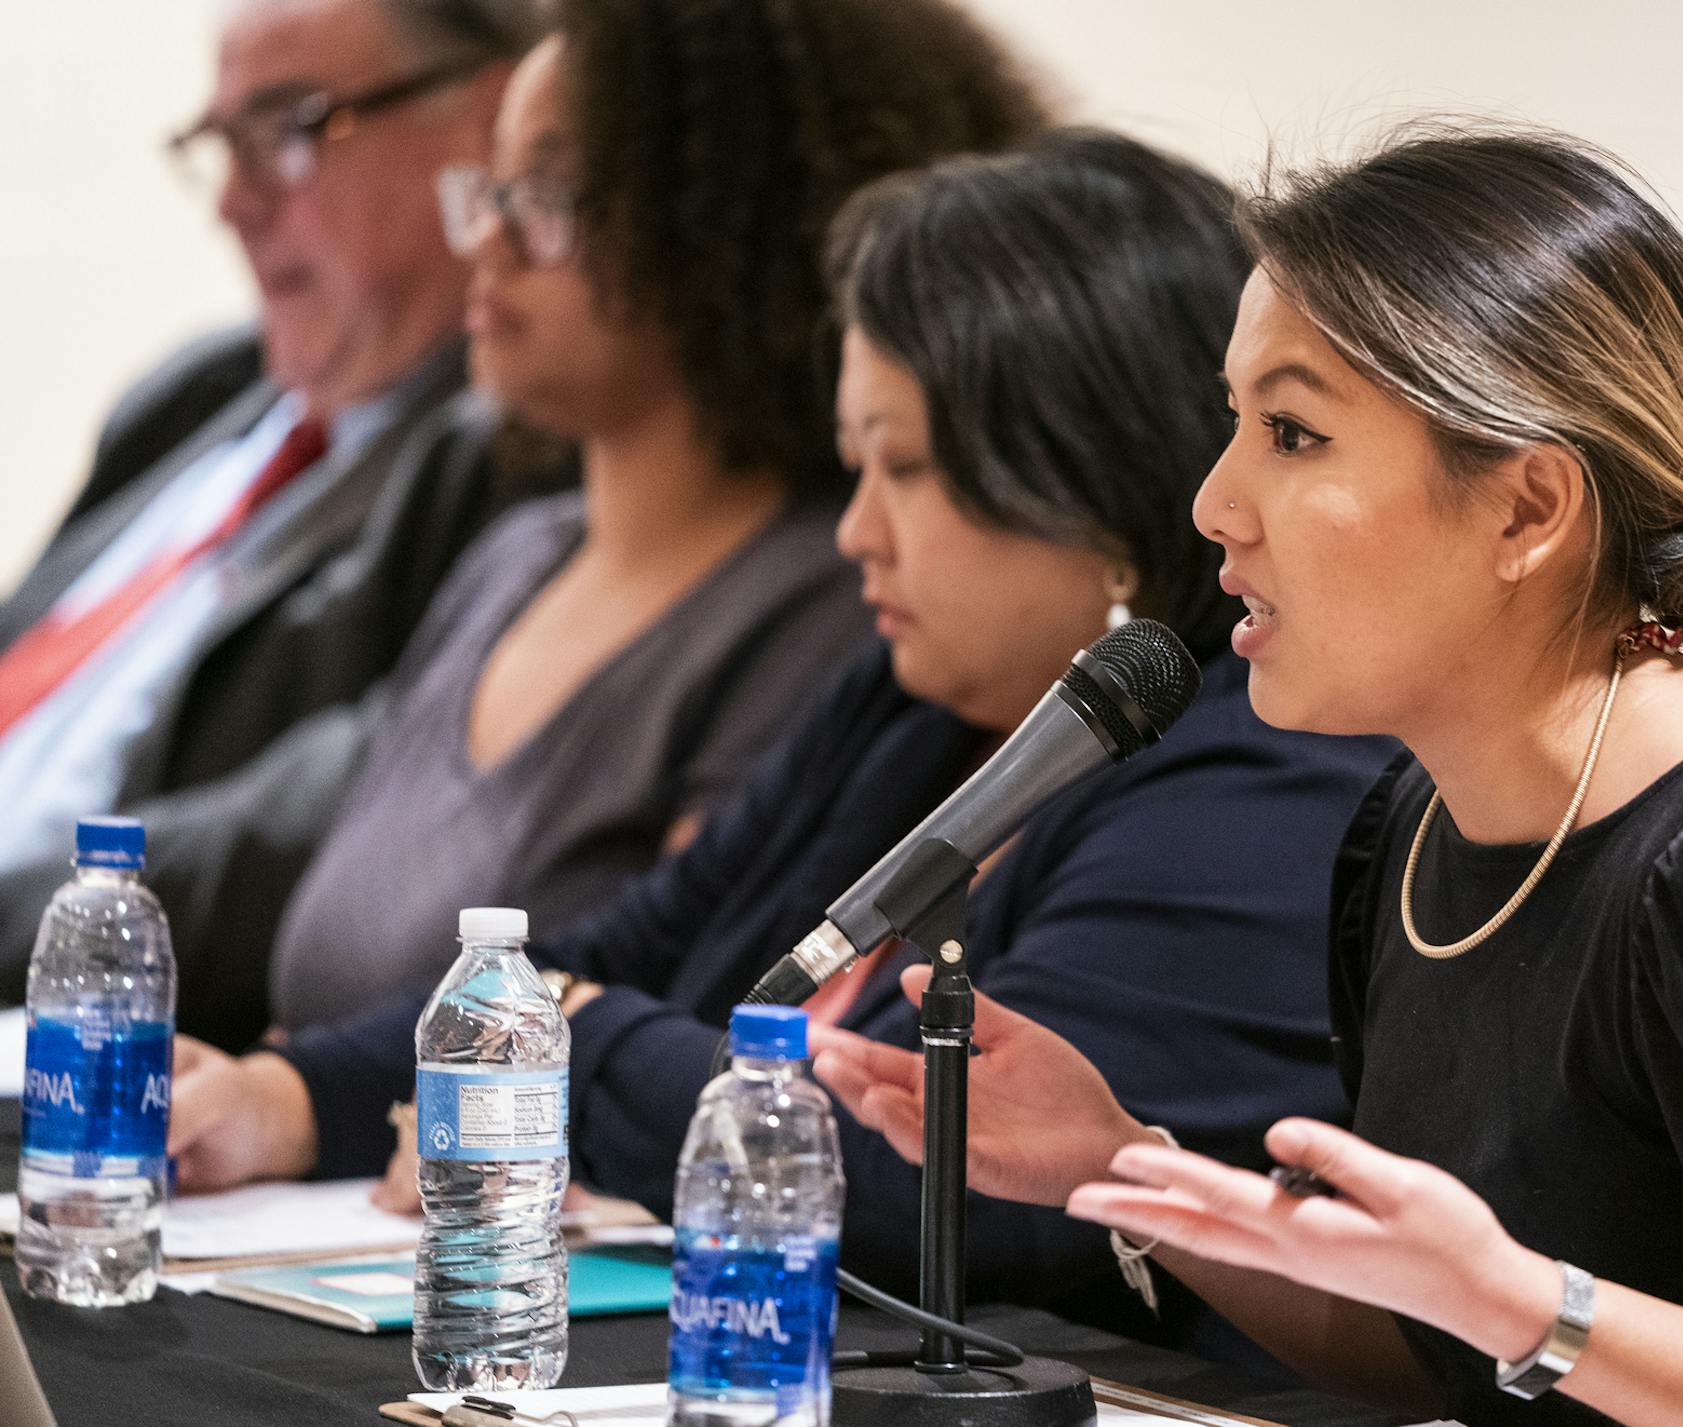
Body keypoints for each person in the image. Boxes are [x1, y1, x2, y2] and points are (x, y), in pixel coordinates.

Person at [814, 126, 1683, 1425]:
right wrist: (1127, 1162)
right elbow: (1433, 1351)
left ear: (1527, 509)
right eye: (1234, 422)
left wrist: (1532, 1301)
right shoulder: (1416, 830)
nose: (1213, 502)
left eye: (1294, 434)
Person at [165, 130, 1400, 1353]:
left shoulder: (1261, 778)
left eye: (903, 468)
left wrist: (574, 1046)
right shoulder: (911, 711)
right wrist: (287, 1098)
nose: (856, 532)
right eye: (854, 467)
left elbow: (973, 1188)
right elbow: (640, 940)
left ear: (1094, 485)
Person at [255, 0, 1055, 1038]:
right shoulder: (510, 555)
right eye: (487, 191)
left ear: (714, 220)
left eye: (540, 196)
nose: (485, 244)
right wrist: (286, 1092)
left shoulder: (832, 597)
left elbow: (683, 990)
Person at [0, 0, 555, 998]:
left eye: (289, 131)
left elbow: (322, 829)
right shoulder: (194, 395)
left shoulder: (513, 462)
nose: (234, 205)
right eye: (221, 145)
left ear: (492, 128)